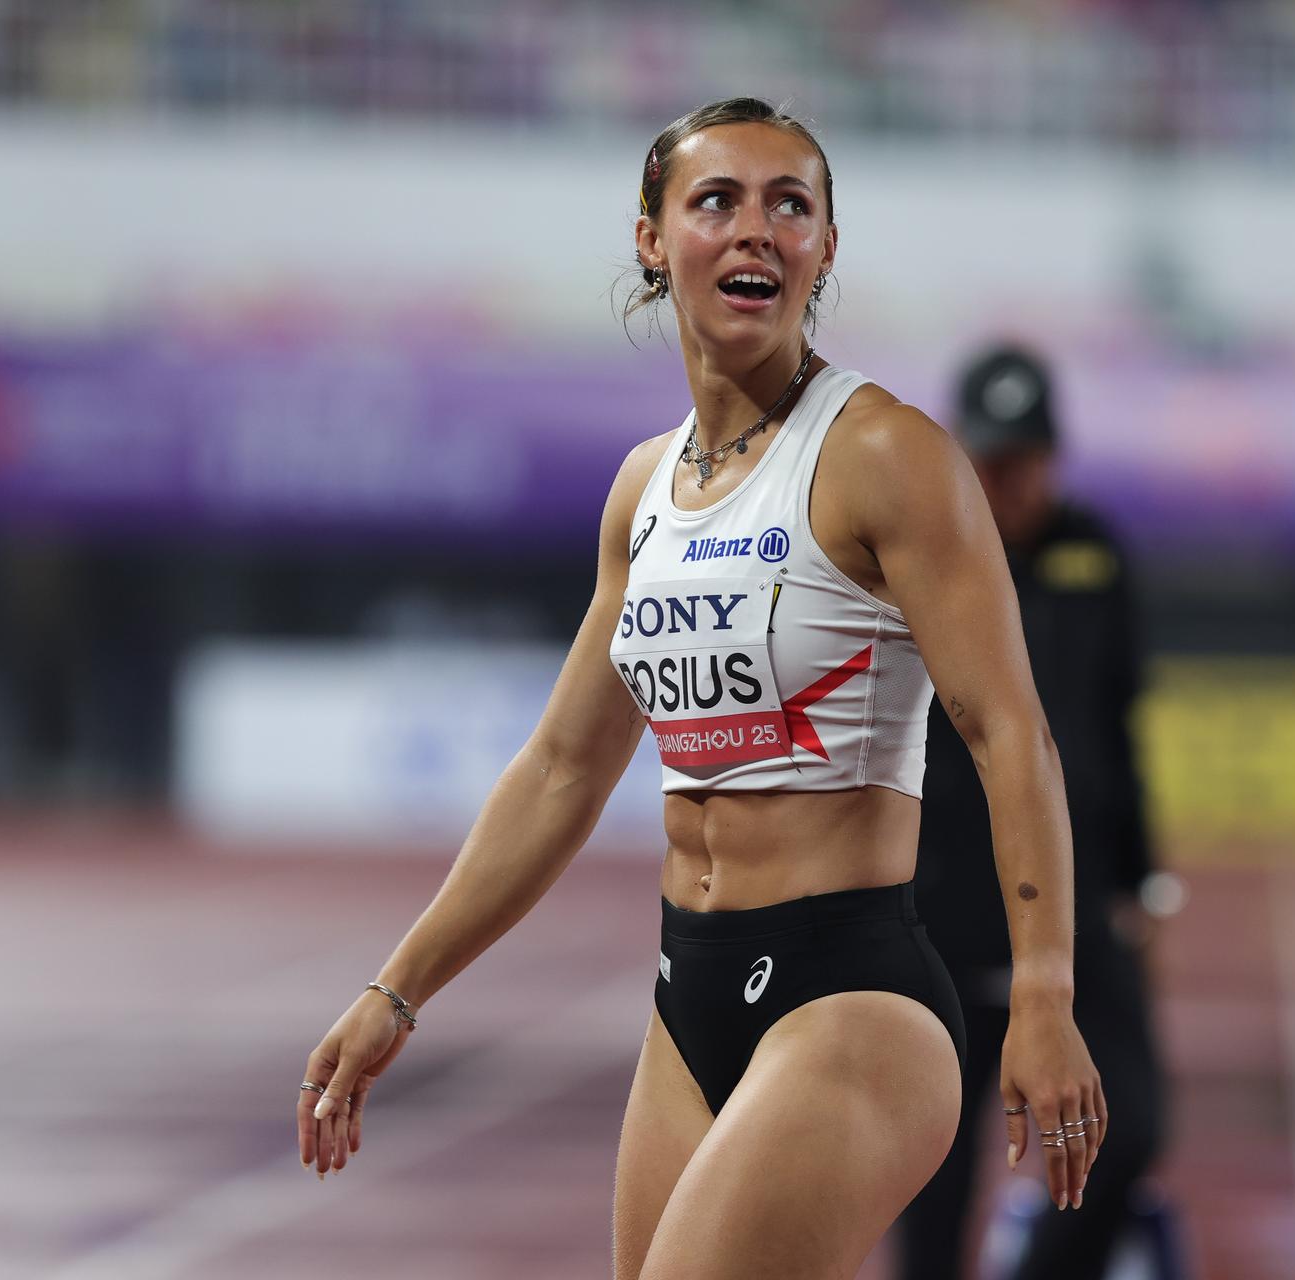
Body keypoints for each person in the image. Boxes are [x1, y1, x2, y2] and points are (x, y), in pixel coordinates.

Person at [294, 98, 1106, 1280]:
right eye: (716, 200)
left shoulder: (885, 456)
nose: (756, 230)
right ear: (650, 237)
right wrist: (398, 989)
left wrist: (1044, 988)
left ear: (825, 247)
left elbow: (1009, 730)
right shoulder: (646, 493)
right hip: (691, 996)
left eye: (792, 205)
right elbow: (564, 766)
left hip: (854, 995)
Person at [894, 346, 1170, 1280]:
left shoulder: (1097, 555)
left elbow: (1119, 730)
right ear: (962, 454)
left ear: (1054, 455)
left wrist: (1142, 878)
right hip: (937, 900)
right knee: (928, 1163)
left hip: (1075, 903)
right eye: (993, 460)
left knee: (1131, 1123)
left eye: (1026, 460)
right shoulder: (916, 559)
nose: (1010, 483)